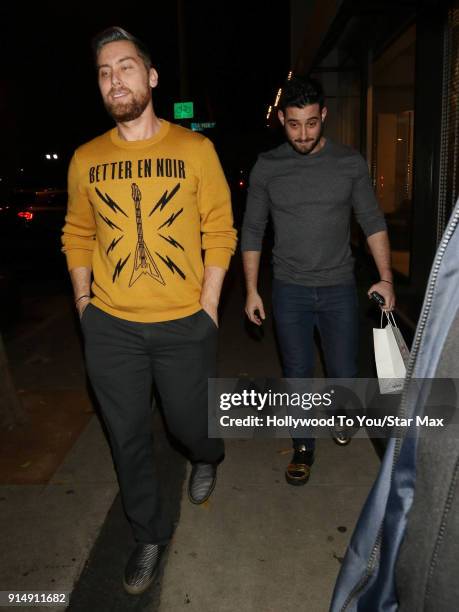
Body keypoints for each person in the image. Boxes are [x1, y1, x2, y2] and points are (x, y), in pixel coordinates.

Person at [61, 26, 237, 595]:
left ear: (152, 76)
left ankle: (207, 453)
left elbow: (219, 230)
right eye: (105, 71)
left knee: (190, 424)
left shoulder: (195, 151)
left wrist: (209, 307)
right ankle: (149, 534)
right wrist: (85, 304)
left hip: (185, 322)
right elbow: (77, 233)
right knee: (127, 436)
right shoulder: (87, 160)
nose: (116, 79)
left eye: (126, 66)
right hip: (111, 327)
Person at [241, 76, 395, 486]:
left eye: (312, 123)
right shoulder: (267, 167)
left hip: (339, 288)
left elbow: (372, 221)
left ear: (323, 115)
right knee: (297, 372)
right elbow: (252, 230)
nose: (304, 134)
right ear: (280, 118)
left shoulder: (349, 163)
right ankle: (303, 446)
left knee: (343, 371)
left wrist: (386, 279)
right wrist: (253, 289)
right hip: (289, 288)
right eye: (294, 124)